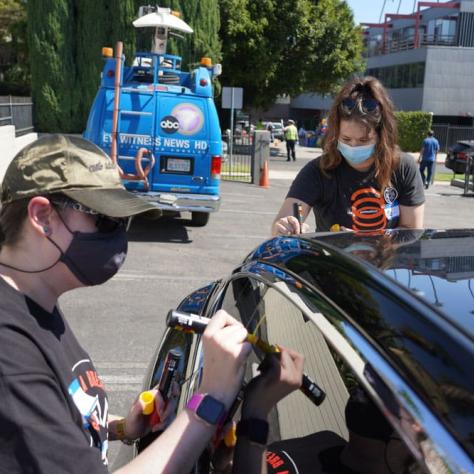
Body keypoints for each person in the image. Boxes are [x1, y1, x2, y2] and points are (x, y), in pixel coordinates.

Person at [0, 134, 252, 473]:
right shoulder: (8, 347)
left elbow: (55, 427)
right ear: (43, 216)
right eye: (105, 220)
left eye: (124, 223)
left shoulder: (34, 301)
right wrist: (209, 402)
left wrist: (120, 428)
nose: (119, 237)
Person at [272, 76, 425, 236]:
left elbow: (412, 232)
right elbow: (282, 221)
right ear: (335, 133)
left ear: (382, 136)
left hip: (387, 261)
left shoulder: (402, 167)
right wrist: (283, 227)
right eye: (345, 139)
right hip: (335, 261)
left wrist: (366, 240)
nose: (353, 146)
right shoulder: (318, 171)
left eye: (363, 140)